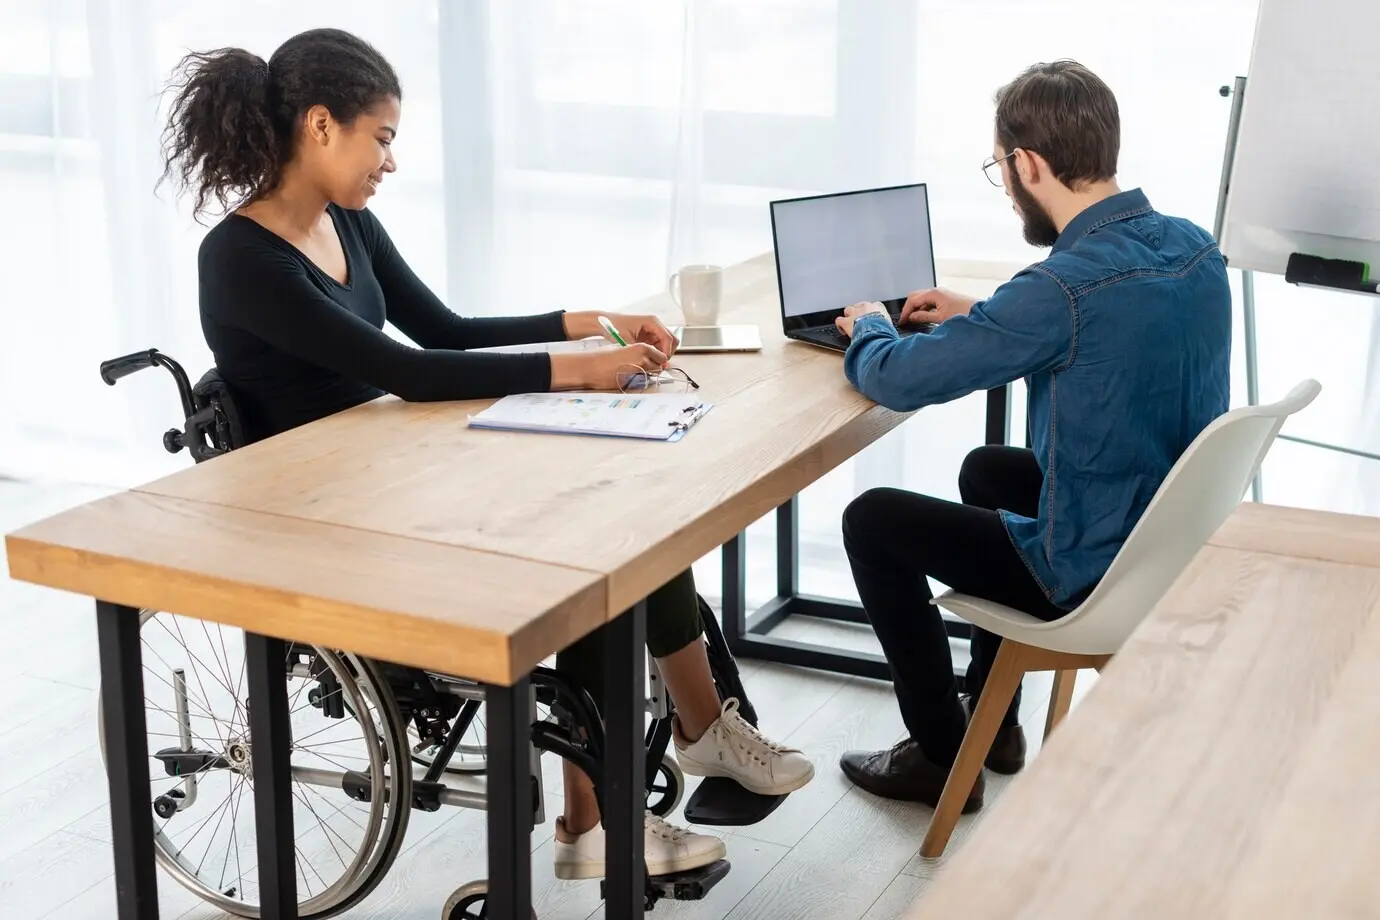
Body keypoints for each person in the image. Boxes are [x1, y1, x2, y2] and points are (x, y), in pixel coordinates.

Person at [159, 27, 813, 881]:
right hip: (330, 524)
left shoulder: (349, 224)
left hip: (394, 476)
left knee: (630, 520)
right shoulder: (240, 259)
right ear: (322, 126)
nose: (389, 161)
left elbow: (447, 331)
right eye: (382, 137)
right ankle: (664, 763)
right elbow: (411, 370)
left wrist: (583, 321)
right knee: (604, 546)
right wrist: (584, 371)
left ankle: (653, 774)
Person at [830, 60, 1231, 811]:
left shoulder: (1059, 289)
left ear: (1029, 163)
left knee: (872, 520)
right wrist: (984, 315)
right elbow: (1103, 329)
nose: (1006, 185)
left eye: (999, 168)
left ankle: (942, 759)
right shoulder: (1197, 249)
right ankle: (997, 724)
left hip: (1091, 566)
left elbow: (895, 379)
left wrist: (871, 326)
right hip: (1164, 542)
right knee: (990, 469)